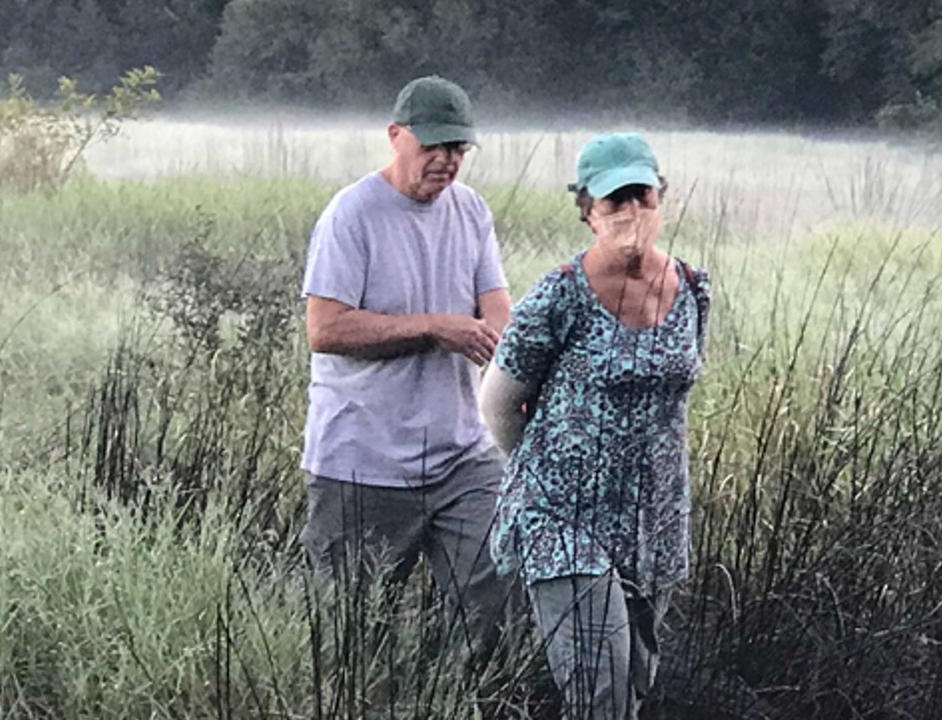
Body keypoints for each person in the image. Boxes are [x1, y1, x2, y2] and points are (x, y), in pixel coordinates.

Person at [479, 132, 710, 719]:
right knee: (599, 693)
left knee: (632, 684)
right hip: (564, 520)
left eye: (643, 197)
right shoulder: (558, 296)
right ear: (588, 212)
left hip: (655, 520)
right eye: (615, 202)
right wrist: (549, 474)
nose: (632, 213)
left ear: (662, 198)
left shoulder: (692, 289)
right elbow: (500, 404)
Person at [298, 75, 512, 653]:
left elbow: (498, 313)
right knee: (346, 632)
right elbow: (325, 328)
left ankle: (446, 693)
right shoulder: (352, 215)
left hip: (462, 455)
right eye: (434, 147)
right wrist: (433, 327)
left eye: (458, 149)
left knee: (497, 586)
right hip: (362, 462)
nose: (446, 161)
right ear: (396, 136)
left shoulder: (471, 212)